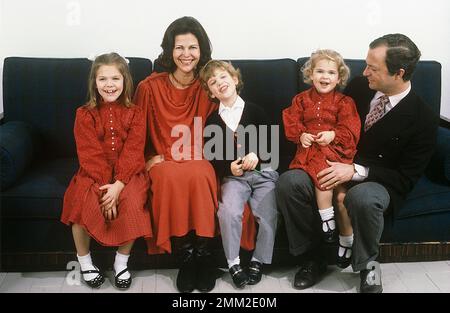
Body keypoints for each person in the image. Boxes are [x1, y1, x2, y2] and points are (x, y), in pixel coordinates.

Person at [276, 34, 438, 293]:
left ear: (399, 72)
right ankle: (311, 257)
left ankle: (368, 264)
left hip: (375, 178)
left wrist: (355, 171)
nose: (364, 72)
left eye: (372, 68)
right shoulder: (360, 87)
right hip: (331, 161)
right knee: (289, 182)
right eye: (366, 64)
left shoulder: (423, 118)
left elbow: (405, 178)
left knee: (362, 198)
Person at [133, 16, 218, 293]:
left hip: (198, 156)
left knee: (200, 171)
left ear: (201, 51)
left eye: (192, 48)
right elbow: (136, 133)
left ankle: (203, 257)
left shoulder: (210, 86)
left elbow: (228, 124)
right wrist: (146, 160)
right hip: (163, 158)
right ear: (170, 50)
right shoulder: (149, 87)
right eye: (180, 47)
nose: (186, 54)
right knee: (168, 176)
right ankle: (185, 258)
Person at [61, 52, 152, 290]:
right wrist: (105, 190)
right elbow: (89, 154)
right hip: (93, 173)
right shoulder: (84, 114)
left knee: (132, 201)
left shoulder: (136, 113)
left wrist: (119, 185)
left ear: (125, 81)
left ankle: (121, 262)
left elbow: (134, 150)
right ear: (94, 83)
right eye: (103, 79)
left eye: (115, 79)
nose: (109, 85)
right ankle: (85, 261)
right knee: (82, 200)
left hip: (129, 172)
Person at [200, 60, 278, 288]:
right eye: (213, 82)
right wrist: (228, 168)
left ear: (235, 79)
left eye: (223, 77)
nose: (219, 83)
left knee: (268, 215)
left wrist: (259, 154)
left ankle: (257, 260)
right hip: (234, 179)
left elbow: (274, 146)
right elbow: (211, 156)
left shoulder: (256, 110)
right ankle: (233, 262)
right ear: (210, 92)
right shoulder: (212, 121)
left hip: (263, 174)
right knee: (228, 212)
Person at [282, 49, 360, 269]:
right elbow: (292, 122)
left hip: (336, 152)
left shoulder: (344, 102)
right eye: (320, 71)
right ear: (311, 74)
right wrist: (302, 135)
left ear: (339, 77)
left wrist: (333, 134)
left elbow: (351, 128)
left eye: (331, 72)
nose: (325, 77)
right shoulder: (301, 100)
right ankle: (327, 220)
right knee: (320, 168)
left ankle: (345, 238)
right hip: (309, 152)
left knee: (342, 198)